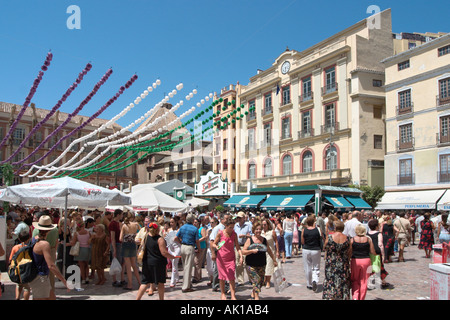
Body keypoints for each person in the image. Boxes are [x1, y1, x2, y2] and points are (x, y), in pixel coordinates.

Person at [30, 215, 71, 300]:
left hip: (38, 276)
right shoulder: (44, 244)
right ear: (49, 230)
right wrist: (64, 280)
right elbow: (51, 265)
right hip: (40, 278)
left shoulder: (35, 239)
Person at [136, 222, 180, 300]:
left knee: (145, 282)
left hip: (147, 262)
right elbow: (163, 252)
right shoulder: (160, 239)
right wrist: (172, 257)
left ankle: (137, 299)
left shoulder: (146, 237)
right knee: (160, 283)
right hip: (158, 264)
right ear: (158, 229)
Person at [242, 222, 277, 300]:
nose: (258, 231)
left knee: (261, 281)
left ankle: (253, 293)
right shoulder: (249, 239)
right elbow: (243, 251)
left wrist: (274, 260)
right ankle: (257, 297)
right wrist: (251, 251)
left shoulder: (264, 240)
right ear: (253, 230)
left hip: (261, 263)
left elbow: (269, 250)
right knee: (256, 280)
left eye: (260, 229)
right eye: (256, 229)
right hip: (251, 264)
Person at [212, 217, 243, 300]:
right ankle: (223, 294)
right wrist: (216, 246)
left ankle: (233, 295)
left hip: (231, 258)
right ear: (226, 226)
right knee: (222, 277)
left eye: (233, 227)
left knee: (231, 277)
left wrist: (241, 256)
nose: (232, 229)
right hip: (221, 258)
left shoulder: (234, 234)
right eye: (230, 227)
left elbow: (237, 246)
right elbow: (213, 244)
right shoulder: (220, 233)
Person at [322, 220, 351, 300]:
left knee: (330, 281)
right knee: (343, 283)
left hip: (331, 263)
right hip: (343, 263)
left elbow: (325, 247)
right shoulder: (348, 239)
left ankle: (330, 297)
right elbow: (349, 252)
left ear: (335, 227)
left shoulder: (330, 237)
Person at [174, 213, 200, 293]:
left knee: (185, 266)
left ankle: (187, 283)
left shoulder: (182, 227)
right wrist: (198, 249)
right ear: (192, 220)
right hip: (189, 247)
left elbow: (175, 237)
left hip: (183, 247)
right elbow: (197, 241)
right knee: (188, 268)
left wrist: (180, 243)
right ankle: (186, 287)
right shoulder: (194, 229)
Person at [350, 224, 376, 300]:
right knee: (364, 281)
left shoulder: (353, 239)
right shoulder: (368, 239)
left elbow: (349, 251)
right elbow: (373, 252)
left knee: (355, 279)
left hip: (355, 260)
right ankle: (361, 298)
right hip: (366, 260)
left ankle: (355, 296)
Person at [120, 212, 141, 290]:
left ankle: (130, 284)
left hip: (126, 245)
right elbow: (141, 232)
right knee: (134, 265)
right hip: (133, 244)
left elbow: (120, 238)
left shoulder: (124, 226)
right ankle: (140, 283)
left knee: (128, 266)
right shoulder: (136, 224)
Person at [301, 214, 322, 292]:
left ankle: (309, 284)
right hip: (316, 249)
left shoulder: (304, 230)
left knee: (307, 267)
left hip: (306, 249)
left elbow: (302, 241)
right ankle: (315, 280)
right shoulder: (318, 229)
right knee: (316, 266)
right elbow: (321, 237)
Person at [9, 229, 32, 300]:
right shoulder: (30, 248)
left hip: (17, 269)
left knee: (18, 285)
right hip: (26, 269)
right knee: (26, 287)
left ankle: (17, 297)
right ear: (29, 238)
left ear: (19, 238)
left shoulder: (15, 248)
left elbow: (10, 259)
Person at [367, 219, 389, 289]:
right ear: (376, 226)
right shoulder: (378, 234)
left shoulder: (367, 233)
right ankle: (382, 281)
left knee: (371, 267)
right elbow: (380, 244)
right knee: (379, 266)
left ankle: (371, 282)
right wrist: (383, 254)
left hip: (369, 252)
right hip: (377, 252)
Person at [70, 217, 91, 285]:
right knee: (86, 265)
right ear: (84, 225)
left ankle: (83, 279)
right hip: (87, 249)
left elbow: (73, 242)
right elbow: (90, 241)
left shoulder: (76, 233)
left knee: (81, 266)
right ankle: (87, 277)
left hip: (80, 250)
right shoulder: (88, 232)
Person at [233, 211, 252, 285]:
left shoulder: (248, 225)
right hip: (237, 246)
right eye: (238, 218)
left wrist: (244, 236)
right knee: (238, 263)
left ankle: (251, 279)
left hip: (245, 246)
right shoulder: (235, 225)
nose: (238, 219)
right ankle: (240, 281)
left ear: (244, 218)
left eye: (240, 218)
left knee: (247, 263)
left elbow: (252, 235)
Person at [109, 209, 126, 287]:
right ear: (118, 214)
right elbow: (112, 237)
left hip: (120, 244)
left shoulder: (119, 223)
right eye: (121, 214)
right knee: (116, 262)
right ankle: (114, 280)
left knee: (122, 262)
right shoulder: (113, 224)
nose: (122, 216)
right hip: (116, 244)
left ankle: (122, 279)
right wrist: (114, 248)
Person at [261, 217, 278, 289]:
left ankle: (268, 282)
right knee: (263, 266)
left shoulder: (272, 232)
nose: (263, 226)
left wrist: (277, 252)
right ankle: (264, 280)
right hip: (262, 252)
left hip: (270, 251)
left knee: (269, 266)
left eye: (265, 224)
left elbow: (276, 242)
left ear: (268, 225)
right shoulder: (260, 232)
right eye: (262, 225)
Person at [166, 216, 181, 288]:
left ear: (176, 223)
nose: (171, 223)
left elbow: (181, 241)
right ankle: (177, 277)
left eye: (173, 222)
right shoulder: (168, 230)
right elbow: (167, 240)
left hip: (177, 248)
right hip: (170, 248)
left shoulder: (178, 230)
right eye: (170, 222)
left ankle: (173, 281)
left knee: (174, 263)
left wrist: (177, 239)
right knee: (174, 263)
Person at [193, 216, 209, 284]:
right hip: (196, 247)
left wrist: (198, 241)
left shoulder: (202, 229)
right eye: (194, 222)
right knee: (196, 262)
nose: (194, 223)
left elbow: (204, 237)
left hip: (201, 247)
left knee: (197, 262)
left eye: (196, 222)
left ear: (199, 223)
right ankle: (198, 276)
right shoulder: (194, 229)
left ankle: (196, 277)